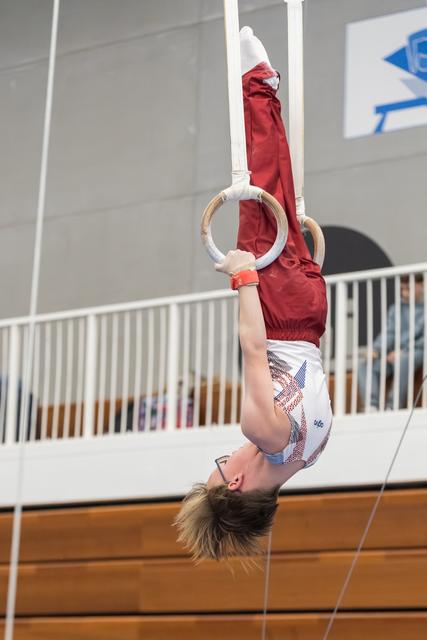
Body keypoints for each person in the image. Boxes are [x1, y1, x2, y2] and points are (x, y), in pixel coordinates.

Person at [175, 28, 332, 561]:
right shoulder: (261, 430)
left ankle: (262, 91)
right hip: (281, 311)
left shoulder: (309, 454)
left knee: (278, 198)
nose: (226, 457)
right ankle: (257, 85)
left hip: (310, 318)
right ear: (236, 485)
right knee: (257, 191)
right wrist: (244, 277)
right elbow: (255, 351)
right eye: (220, 466)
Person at [358, 274, 424, 412]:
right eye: (402, 289)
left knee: (404, 360)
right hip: (394, 354)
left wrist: (404, 352)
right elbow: (389, 333)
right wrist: (376, 349)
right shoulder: (396, 308)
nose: (405, 293)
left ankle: (392, 406)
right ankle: (372, 406)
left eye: (409, 288)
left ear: (421, 286)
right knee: (365, 365)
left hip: (418, 351)